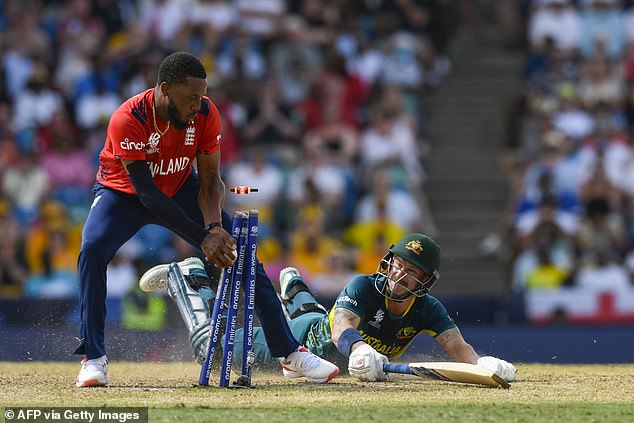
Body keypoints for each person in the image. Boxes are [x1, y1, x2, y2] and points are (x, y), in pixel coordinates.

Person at [74, 52, 338, 387]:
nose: (196, 106)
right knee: (92, 249)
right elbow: (148, 195)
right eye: (189, 98)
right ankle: (94, 358)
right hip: (124, 193)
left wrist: (215, 228)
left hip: (183, 185)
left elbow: (211, 180)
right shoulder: (128, 118)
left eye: (201, 97)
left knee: (240, 252)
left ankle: (289, 352)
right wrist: (202, 238)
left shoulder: (206, 112)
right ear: (165, 89)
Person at [158, 233, 517, 383]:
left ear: (426, 282)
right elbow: (342, 325)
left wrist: (484, 366)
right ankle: (189, 277)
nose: (400, 274)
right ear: (388, 261)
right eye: (398, 264)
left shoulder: (428, 308)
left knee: (313, 313)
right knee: (211, 350)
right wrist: (359, 348)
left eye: (412, 271)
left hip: (317, 324)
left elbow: (457, 347)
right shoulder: (363, 285)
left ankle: (294, 288)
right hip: (297, 347)